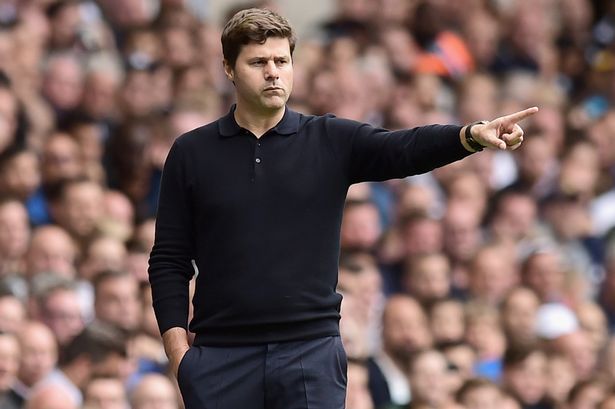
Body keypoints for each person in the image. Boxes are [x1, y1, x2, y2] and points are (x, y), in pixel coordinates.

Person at [147, 8, 538, 409]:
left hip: (309, 354)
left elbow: (402, 149)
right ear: (229, 69)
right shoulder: (192, 153)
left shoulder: (328, 139)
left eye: (282, 61)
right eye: (258, 62)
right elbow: (169, 260)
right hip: (221, 358)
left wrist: (469, 135)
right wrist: (181, 358)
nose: (273, 72)